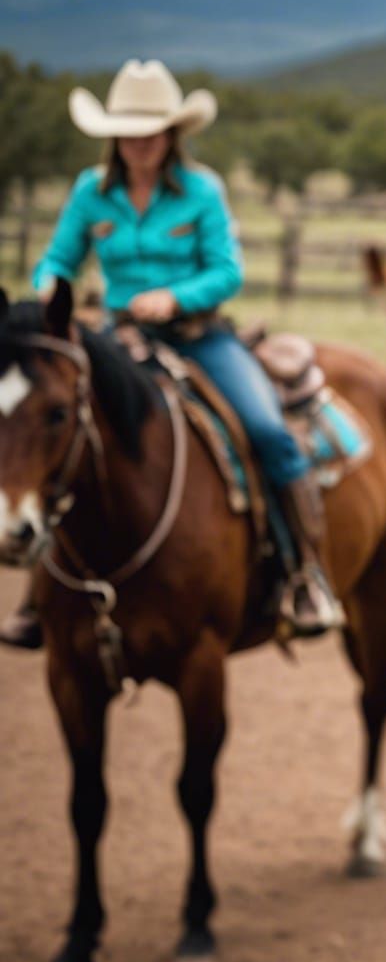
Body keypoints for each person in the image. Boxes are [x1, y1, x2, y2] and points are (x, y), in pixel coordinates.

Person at [2, 58, 343, 644]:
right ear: (114, 136)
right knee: (68, 438)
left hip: (200, 337)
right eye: (130, 132)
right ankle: (44, 595)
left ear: (172, 134)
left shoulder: (201, 191)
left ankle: (303, 574)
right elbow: (57, 257)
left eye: (152, 131)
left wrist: (175, 298)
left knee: (269, 432)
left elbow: (227, 272)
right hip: (113, 338)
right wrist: (49, 283)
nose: (140, 143)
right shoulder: (91, 193)